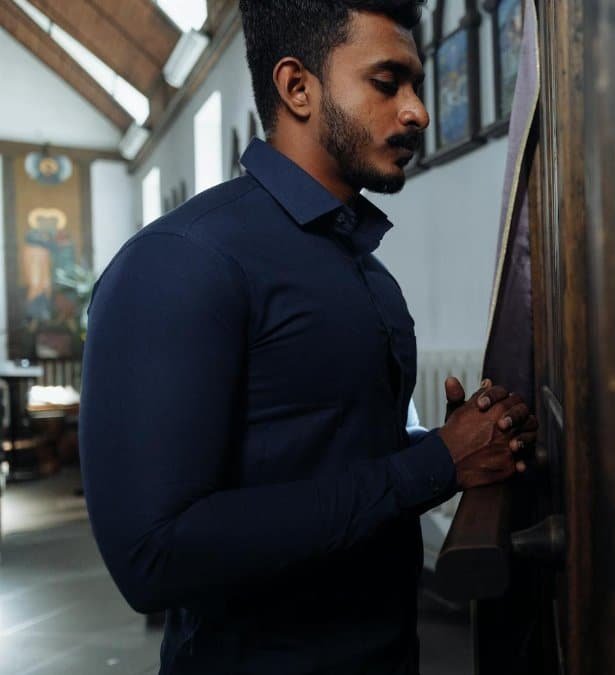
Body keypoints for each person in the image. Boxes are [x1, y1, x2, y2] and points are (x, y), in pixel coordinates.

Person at [80, 1, 535, 672]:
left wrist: (462, 440)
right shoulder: (182, 259)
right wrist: (435, 462)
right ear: (297, 87)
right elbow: (155, 555)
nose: (418, 111)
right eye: (387, 82)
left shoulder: (367, 270)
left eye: (417, 82)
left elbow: (328, 456)